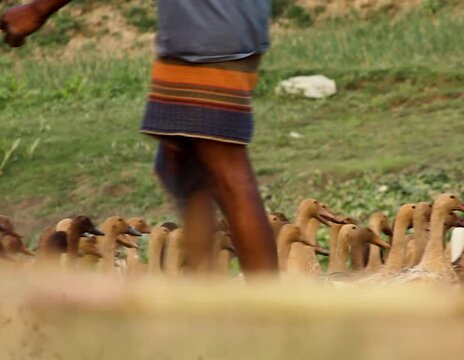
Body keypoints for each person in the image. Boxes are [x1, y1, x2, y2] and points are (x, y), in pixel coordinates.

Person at [0, 0, 279, 276]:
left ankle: (268, 308)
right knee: (178, 162)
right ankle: (203, 288)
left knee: (225, 169)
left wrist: (38, 9)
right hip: (210, 25)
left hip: (207, 28)